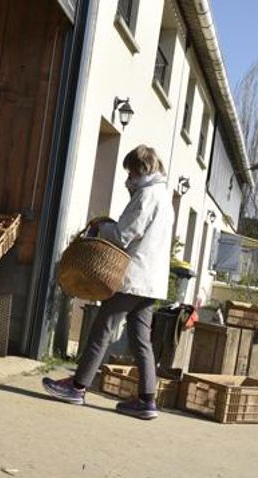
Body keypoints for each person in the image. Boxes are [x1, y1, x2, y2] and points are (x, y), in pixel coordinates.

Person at [43, 145, 175, 420]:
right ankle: (147, 400)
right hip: (151, 282)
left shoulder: (146, 196)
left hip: (132, 277)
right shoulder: (164, 196)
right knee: (141, 340)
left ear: (141, 169)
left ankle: (77, 387)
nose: (128, 178)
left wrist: (100, 227)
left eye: (130, 172)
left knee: (102, 328)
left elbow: (123, 235)